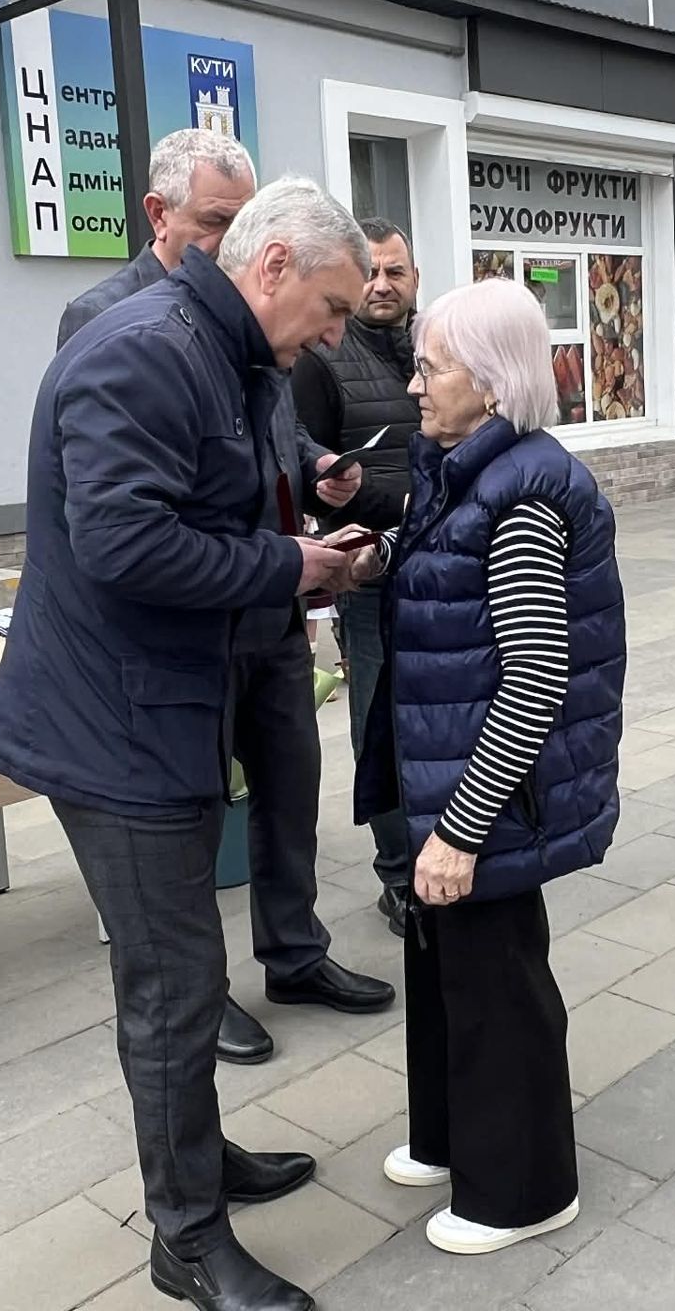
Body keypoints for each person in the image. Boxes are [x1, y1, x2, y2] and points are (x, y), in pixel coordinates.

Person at [0, 180, 378, 1311]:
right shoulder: (148, 349)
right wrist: (288, 569)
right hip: (110, 722)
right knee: (173, 984)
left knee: (185, 975)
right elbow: (121, 544)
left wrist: (301, 527)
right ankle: (186, 1240)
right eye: (333, 305)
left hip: (164, 705)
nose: (337, 333)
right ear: (271, 269)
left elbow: (220, 500)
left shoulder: (228, 351)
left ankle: (197, 1165)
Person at [55, 136, 393, 1069]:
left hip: (269, 610)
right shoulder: (113, 323)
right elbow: (123, 515)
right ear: (159, 215)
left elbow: (262, 440)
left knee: (289, 789)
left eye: (240, 217)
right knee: (185, 829)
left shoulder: (252, 321)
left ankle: (294, 953)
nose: (229, 233)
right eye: (215, 219)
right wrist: (286, 561)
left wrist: (317, 469)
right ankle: (198, 1002)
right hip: (187, 631)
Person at [345, 277, 624, 1258]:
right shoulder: (459, 464)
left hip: (494, 792)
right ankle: (453, 1138)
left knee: (498, 985)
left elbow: (536, 674)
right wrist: (371, 549)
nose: (415, 384)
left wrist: (462, 828)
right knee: (446, 969)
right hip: (447, 768)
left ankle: (526, 1187)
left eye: (433, 366)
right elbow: (442, 575)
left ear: (494, 383)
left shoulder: (525, 492)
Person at [291, 217, 423, 935]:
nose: (380, 285)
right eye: (368, 272)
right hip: (369, 572)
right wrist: (400, 503)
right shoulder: (323, 359)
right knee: (382, 724)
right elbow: (312, 480)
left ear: (414, 278)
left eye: (394, 271)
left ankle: (439, 851)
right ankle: (397, 874)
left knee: (439, 716)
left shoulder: (434, 345)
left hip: (437, 569)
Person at [57, 127, 257, 345]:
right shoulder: (100, 316)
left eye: (245, 221)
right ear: (158, 214)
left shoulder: (255, 306)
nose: (234, 240)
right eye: (214, 221)